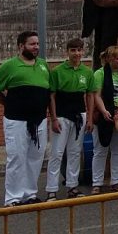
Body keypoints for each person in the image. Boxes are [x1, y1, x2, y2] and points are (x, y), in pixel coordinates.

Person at [0, 31, 51, 206]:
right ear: (21, 46)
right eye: (32, 44)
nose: (36, 47)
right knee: (17, 157)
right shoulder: (8, 66)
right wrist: (10, 105)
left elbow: (48, 91)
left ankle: (29, 194)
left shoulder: (43, 66)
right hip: (16, 120)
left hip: (39, 120)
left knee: (35, 157)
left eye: (38, 44)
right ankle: (13, 197)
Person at [45, 38, 93, 200]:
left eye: (79, 50)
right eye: (73, 50)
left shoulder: (87, 72)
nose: (76, 53)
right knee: (57, 152)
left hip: (79, 116)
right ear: (67, 52)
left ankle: (72, 186)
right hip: (61, 116)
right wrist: (53, 118)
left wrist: (90, 118)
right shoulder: (57, 71)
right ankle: (51, 189)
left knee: (75, 152)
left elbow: (90, 95)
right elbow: (51, 96)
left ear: (83, 51)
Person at [90, 46, 118, 194]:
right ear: (109, 59)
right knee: (100, 150)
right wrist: (104, 111)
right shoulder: (100, 73)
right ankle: (97, 182)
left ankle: (116, 181)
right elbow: (97, 95)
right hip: (105, 114)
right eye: (117, 58)